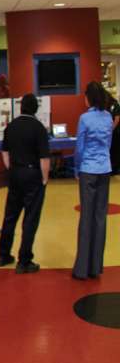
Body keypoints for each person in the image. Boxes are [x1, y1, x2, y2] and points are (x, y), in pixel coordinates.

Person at [0, 94, 49, 274]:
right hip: (32, 174)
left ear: (21, 107)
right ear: (36, 109)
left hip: (15, 174)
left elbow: (4, 152)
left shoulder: (11, 126)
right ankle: (24, 260)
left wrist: (11, 168)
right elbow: (44, 158)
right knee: (30, 219)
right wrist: (44, 179)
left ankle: (3, 255)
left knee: (10, 215)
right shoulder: (39, 128)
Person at [72, 81, 114, 280]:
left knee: (86, 217)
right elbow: (109, 143)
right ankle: (96, 266)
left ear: (88, 97)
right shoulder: (108, 117)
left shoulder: (84, 118)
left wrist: (76, 168)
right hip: (104, 169)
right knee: (100, 217)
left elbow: (79, 147)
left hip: (88, 170)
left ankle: (82, 268)